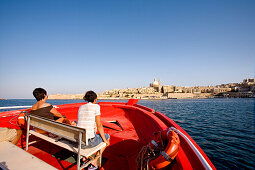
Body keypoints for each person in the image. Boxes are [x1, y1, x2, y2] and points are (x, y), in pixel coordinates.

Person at [77, 91, 110, 170]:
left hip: (78, 140)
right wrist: (105, 140)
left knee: (91, 133)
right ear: (95, 99)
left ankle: (85, 159)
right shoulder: (96, 107)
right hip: (88, 142)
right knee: (107, 137)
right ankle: (95, 161)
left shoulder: (81, 107)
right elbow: (99, 125)